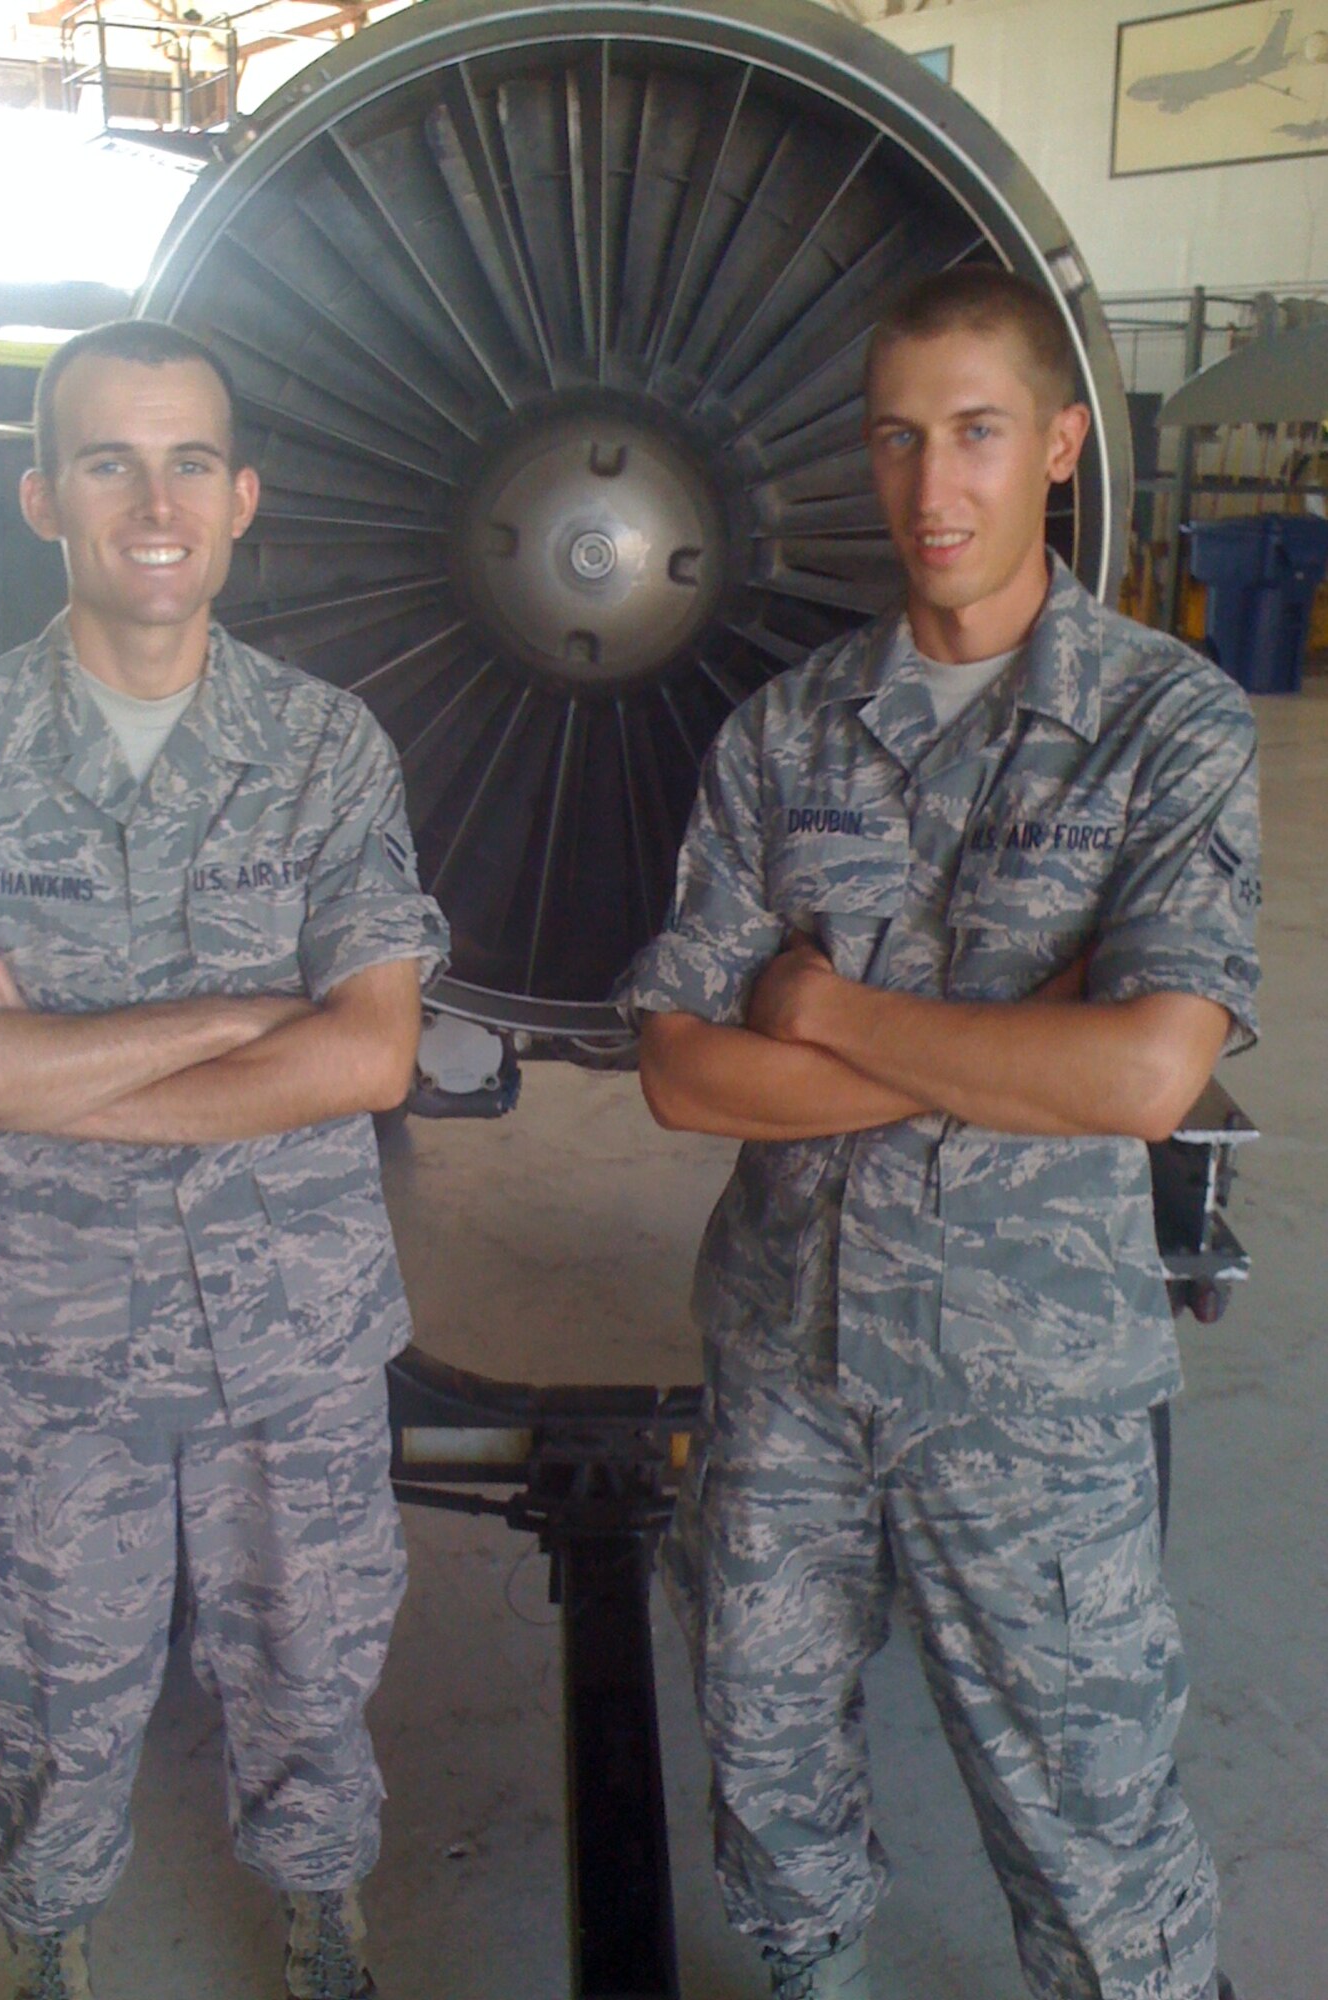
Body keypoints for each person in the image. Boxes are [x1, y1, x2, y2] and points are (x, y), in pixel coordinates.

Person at [623, 267, 1258, 2000]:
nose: (933, 488)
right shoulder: (787, 730)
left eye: (977, 433)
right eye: (898, 439)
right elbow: (681, 1068)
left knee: (1091, 1817)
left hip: (1032, 1390)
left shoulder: (1166, 725)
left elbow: (1145, 1080)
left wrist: (823, 1016)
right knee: (769, 1772)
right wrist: (1010, 1047)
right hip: (788, 1366)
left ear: (1057, 444)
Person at [0, 319, 449, 2000]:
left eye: (189, 461)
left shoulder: (329, 750)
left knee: (311, 1673)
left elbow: (370, 1051)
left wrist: (44, 1071)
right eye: (109, 460)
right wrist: (250, 1016)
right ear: (43, 495)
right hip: (51, 1347)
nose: (153, 500)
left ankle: (324, 1920)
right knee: (47, 1685)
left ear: (242, 498)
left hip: (292, 1346)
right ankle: (50, 1938)